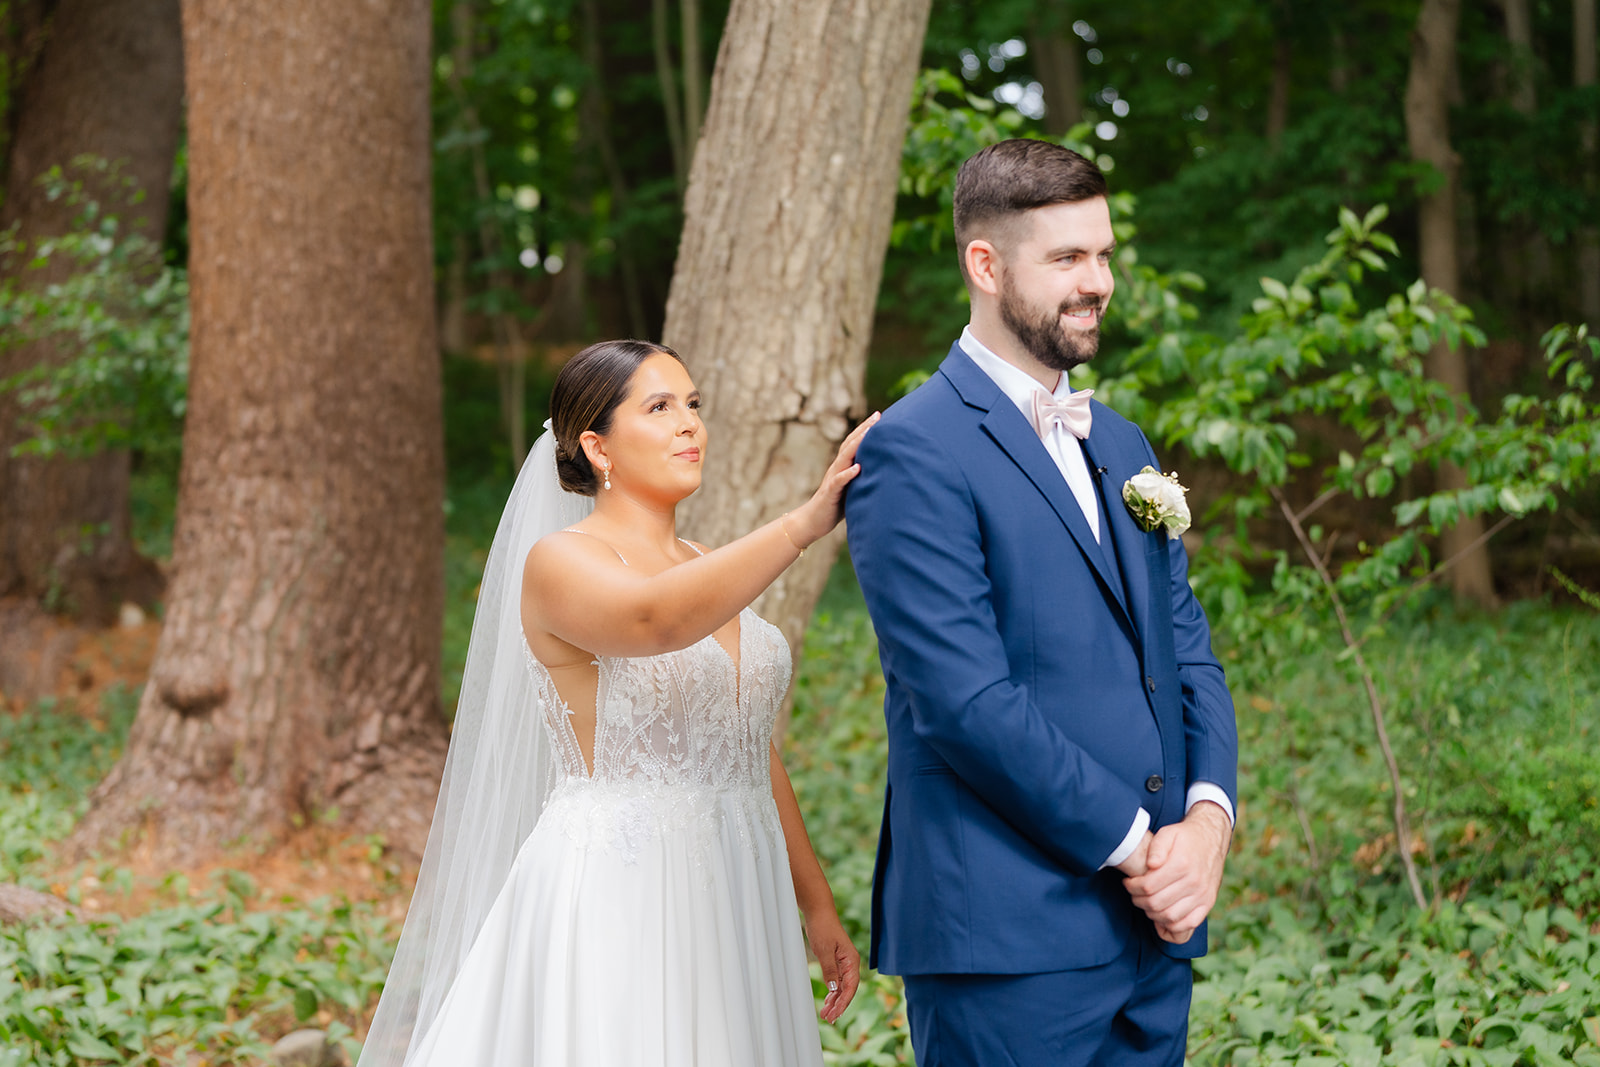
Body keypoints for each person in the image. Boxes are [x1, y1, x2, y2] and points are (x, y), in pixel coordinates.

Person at [359, 339, 872, 1067]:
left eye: (693, 404)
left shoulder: (702, 562)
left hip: (738, 878)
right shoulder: (561, 561)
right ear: (597, 446)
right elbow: (652, 622)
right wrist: (803, 524)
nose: (689, 423)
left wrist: (816, 904)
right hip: (626, 887)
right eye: (659, 407)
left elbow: (745, 743)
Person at [843, 139, 1239, 1065]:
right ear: (985, 265)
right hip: (1007, 936)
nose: (1097, 280)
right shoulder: (913, 449)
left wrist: (1209, 823)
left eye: (1102, 254)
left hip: (1155, 935)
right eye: (1066, 258)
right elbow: (961, 702)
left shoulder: (1124, 441)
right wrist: (1143, 848)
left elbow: (1188, 652)